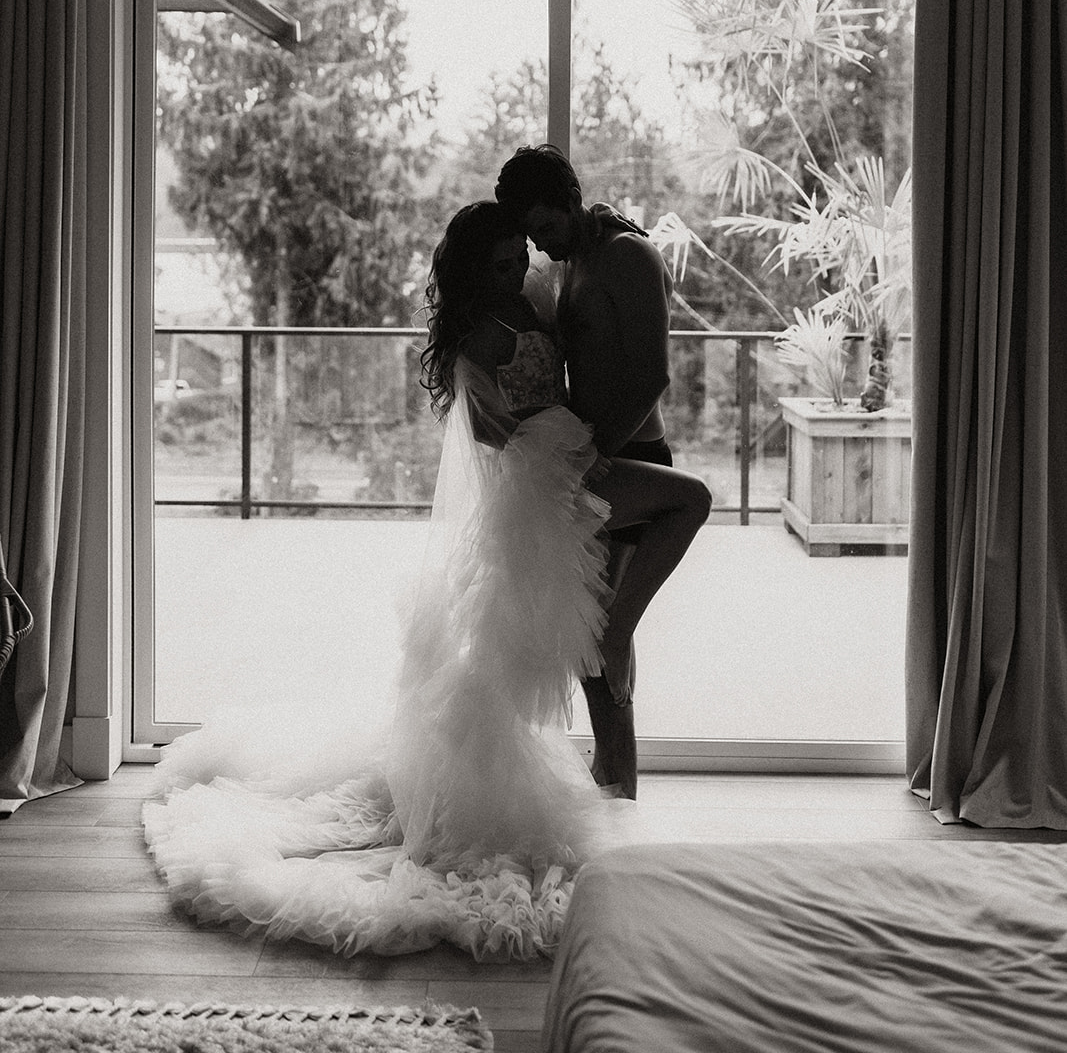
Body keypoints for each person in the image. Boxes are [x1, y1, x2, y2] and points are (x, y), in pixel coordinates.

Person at [141, 201, 668, 960]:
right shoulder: (485, 331)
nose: (518, 270)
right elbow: (491, 426)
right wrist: (549, 440)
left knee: (573, 627)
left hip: (558, 471)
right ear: (471, 271)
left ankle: (612, 766)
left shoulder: (527, 300)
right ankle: (589, 777)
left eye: (520, 257)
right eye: (501, 263)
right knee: (586, 616)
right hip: (545, 481)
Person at [496, 145, 711, 800]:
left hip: (629, 458)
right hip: (589, 458)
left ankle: (617, 773)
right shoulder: (580, 256)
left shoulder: (628, 256)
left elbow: (652, 373)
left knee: (605, 631)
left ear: (571, 198)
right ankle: (616, 780)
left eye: (548, 229)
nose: (543, 245)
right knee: (591, 635)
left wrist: (594, 457)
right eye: (533, 236)